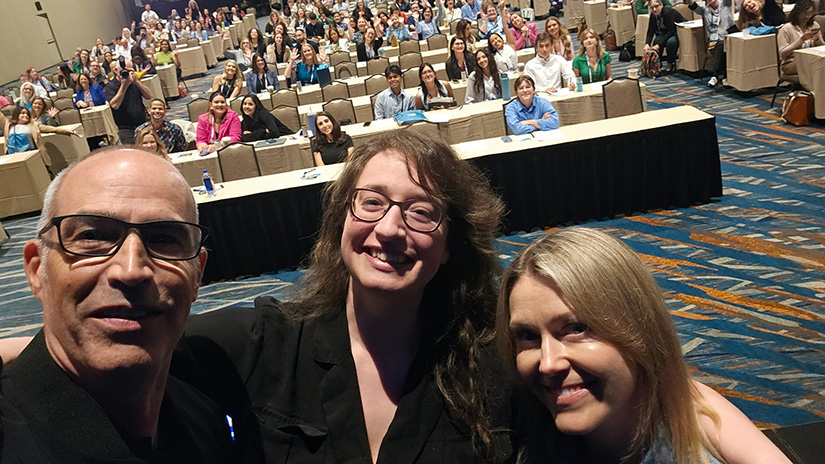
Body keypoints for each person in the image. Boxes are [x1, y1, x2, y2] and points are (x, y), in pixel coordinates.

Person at [177, 130, 513, 464]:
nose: (388, 228)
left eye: (421, 212)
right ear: (343, 222)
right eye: (371, 202)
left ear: (449, 247)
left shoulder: (499, 365)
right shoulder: (263, 344)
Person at [0, 147, 245, 463]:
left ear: (197, 275)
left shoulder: (201, 410)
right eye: (92, 236)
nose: (131, 270)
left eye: (164, 239)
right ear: (37, 271)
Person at [496, 227, 794, 464]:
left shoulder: (690, 428)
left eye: (577, 329)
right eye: (528, 335)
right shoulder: (521, 429)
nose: (548, 363)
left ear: (639, 331)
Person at [1, 107, 79, 161]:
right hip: (14, 156)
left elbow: (52, 129)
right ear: (16, 114)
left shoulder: (33, 125)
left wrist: (70, 131)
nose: (25, 115)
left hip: (32, 155)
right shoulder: (8, 125)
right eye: (22, 113)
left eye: (27, 114)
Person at [104, 61, 152, 145]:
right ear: (116, 70)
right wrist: (124, 86)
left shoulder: (134, 82)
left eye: (131, 71)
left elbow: (149, 96)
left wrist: (137, 82)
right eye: (125, 71)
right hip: (126, 129)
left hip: (142, 124)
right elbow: (115, 105)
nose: (128, 73)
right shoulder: (111, 86)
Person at [688, 0, 734, 87]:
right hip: (713, 41)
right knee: (720, 47)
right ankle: (724, 76)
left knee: (722, 46)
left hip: (728, 37)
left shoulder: (725, 4)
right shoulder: (705, 10)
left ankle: (715, 75)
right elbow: (692, 6)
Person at [778, 0, 824, 75]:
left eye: (810, 13)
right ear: (797, 13)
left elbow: (822, 47)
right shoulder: (786, 28)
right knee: (815, 65)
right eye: (804, 13)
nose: (807, 16)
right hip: (791, 62)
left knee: (818, 63)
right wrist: (801, 40)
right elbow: (783, 53)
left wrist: (817, 40)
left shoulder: (814, 25)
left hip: (812, 59)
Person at [645, 0, 685, 73]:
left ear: (661, 5)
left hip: (678, 32)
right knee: (656, 40)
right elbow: (650, 30)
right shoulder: (653, 15)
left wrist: (659, 45)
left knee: (671, 42)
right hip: (665, 32)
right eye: (652, 8)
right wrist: (647, 43)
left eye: (656, 6)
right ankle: (657, 63)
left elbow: (671, 31)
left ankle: (670, 63)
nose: (654, 9)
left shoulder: (667, 13)